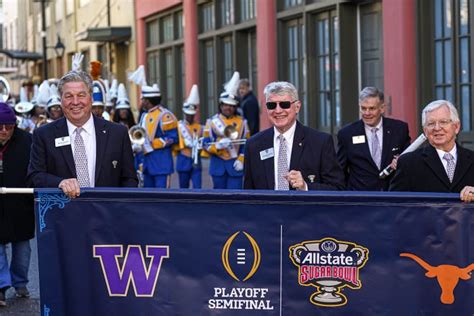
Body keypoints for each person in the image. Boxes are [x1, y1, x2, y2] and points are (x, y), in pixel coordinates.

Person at [27, 70, 138, 198]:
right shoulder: (44, 135)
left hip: (107, 214)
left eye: (81, 95)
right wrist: (59, 183)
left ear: (91, 98)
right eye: (68, 96)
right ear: (61, 100)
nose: (75, 102)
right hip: (63, 214)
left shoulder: (117, 133)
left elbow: (129, 179)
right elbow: (34, 177)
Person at [244, 81, 345, 191]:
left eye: (284, 105)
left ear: (297, 107)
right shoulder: (254, 145)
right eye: (272, 105)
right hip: (267, 208)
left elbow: (337, 188)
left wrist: (305, 187)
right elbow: (248, 193)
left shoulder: (320, 142)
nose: (278, 110)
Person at [389, 100, 474, 202]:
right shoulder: (408, 163)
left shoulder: (471, 159)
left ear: (456, 127)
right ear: (425, 131)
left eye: (443, 122)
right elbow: (395, 205)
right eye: (431, 124)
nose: (437, 128)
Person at [337, 87, 411, 190]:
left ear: (382, 108)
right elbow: (339, 171)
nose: (367, 113)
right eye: (363, 108)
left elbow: (411, 163)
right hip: (360, 199)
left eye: (372, 108)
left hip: (393, 195)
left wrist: (402, 161)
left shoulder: (399, 130)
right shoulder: (347, 134)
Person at [0, 103, 34, 306]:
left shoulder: (27, 141)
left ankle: (20, 282)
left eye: (9, 126)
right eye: (0, 126)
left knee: (22, 247)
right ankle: (1, 286)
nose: (4, 131)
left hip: (20, 202)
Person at [203, 72, 250, 189]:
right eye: (225, 105)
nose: (228, 108)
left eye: (231, 105)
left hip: (235, 166)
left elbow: (247, 144)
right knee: (219, 201)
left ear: (235, 107)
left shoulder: (242, 123)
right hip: (217, 166)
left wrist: (241, 160)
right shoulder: (211, 122)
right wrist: (217, 146)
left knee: (236, 200)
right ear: (220, 105)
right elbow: (205, 143)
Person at [139, 84, 178, 188]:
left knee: (162, 199)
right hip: (147, 164)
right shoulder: (144, 115)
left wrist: (152, 144)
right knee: (149, 200)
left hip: (161, 165)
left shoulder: (165, 115)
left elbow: (172, 138)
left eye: (143, 99)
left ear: (147, 101)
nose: (141, 101)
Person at [176, 85, 203, 189]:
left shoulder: (200, 127)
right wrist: (183, 144)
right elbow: (175, 142)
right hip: (183, 159)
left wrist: (200, 145)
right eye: (188, 114)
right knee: (183, 188)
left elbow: (204, 141)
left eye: (192, 114)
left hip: (196, 162)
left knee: (198, 187)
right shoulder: (179, 126)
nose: (190, 116)